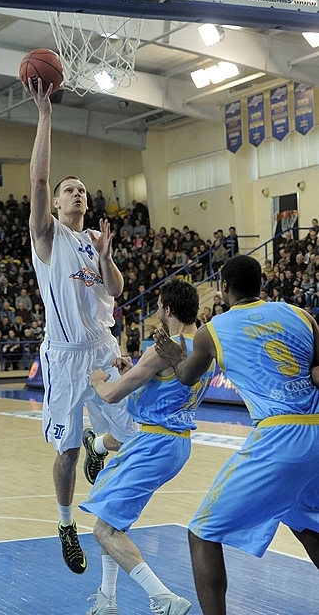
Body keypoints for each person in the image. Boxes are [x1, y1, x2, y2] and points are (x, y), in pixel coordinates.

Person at [153, 254, 319, 615]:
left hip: (280, 436)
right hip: (317, 430)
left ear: (223, 287)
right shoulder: (302, 316)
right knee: (304, 520)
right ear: (261, 283)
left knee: (201, 533)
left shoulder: (212, 331)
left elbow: (187, 376)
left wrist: (173, 356)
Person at [25, 77, 136, 575]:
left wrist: (108, 257)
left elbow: (115, 290)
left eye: (83, 191)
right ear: (55, 203)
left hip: (103, 350)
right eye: (69, 189)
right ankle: (66, 523)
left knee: (132, 436)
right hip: (66, 356)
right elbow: (38, 179)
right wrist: (46, 115)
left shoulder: (95, 240)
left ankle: (101, 443)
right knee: (67, 452)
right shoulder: (48, 238)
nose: (77, 193)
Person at [80, 278, 214, 615]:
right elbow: (171, 383)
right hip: (175, 443)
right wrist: (137, 371)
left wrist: (97, 381)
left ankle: (163, 597)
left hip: (154, 442)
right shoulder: (204, 350)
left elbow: (112, 394)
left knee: (104, 530)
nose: (157, 313)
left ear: (167, 309)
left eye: (158, 308)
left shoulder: (163, 349)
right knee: (111, 518)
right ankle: (107, 599)